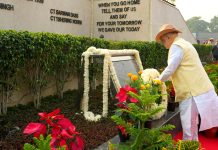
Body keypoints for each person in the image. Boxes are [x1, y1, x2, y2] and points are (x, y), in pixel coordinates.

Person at [155, 24, 218, 141]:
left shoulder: (176, 46)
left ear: (169, 37)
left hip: (191, 91)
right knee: (192, 123)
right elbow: (181, 68)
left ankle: (188, 146)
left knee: (188, 125)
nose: (163, 44)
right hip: (197, 89)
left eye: (163, 40)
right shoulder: (185, 44)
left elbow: (171, 68)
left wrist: (157, 81)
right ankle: (193, 145)